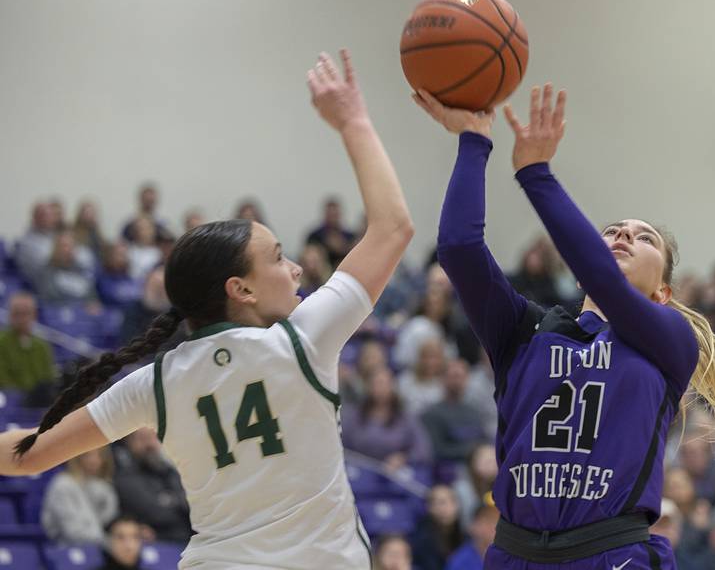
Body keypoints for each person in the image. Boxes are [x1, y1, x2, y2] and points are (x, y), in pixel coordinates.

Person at [0, 50, 414, 570]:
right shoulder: (301, 340)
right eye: (279, 258)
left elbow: (29, 455)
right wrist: (353, 122)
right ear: (240, 289)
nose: (296, 271)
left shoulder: (158, 382)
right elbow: (394, 228)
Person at [414, 84, 715, 568]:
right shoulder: (523, 331)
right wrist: (474, 140)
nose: (624, 234)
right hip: (515, 552)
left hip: (610, 554)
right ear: (579, 266)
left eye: (644, 238)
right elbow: (458, 249)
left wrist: (536, 173)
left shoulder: (668, 341)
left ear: (663, 293)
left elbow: (607, 280)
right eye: (612, 230)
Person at [41, 447, 118, 544]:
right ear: (77, 456)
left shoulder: (103, 487)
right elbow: (72, 531)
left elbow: (109, 519)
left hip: (96, 544)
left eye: (99, 455)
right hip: (64, 547)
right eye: (87, 455)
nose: (94, 460)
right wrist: (110, 544)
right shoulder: (63, 484)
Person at [0, 292, 56, 395]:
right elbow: (3, 380)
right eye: (17, 313)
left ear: (34, 315)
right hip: (11, 402)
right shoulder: (2, 342)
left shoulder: (42, 345)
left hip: (39, 401)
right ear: (9, 315)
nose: (21, 319)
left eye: (25, 313)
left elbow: (49, 378)